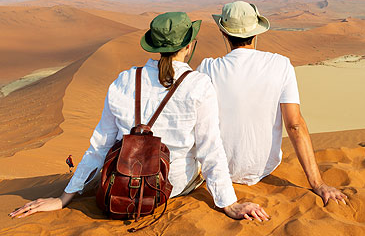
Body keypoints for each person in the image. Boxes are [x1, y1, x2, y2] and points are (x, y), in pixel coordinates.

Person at [10, 12, 269, 222]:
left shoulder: (124, 80)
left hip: (123, 183)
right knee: (198, 160)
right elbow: (210, 149)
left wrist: (64, 197)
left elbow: (100, 144)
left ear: (154, 46)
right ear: (189, 46)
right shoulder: (199, 85)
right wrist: (229, 203)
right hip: (170, 187)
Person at [198, 1, 347, 205]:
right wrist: (318, 184)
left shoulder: (207, 68)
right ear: (256, 33)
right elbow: (294, 125)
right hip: (264, 169)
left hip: (219, 171)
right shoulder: (281, 65)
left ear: (224, 33)